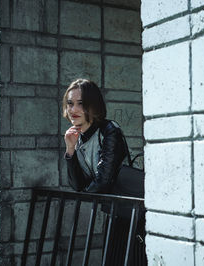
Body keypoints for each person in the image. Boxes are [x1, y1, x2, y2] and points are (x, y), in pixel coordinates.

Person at [63, 79, 146, 265]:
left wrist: (86, 192)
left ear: (92, 105)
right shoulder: (78, 137)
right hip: (116, 211)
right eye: (70, 103)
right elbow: (77, 184)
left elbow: (103, 180)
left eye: (80, 103)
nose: (73, 109)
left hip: (136, 211)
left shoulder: (109, 130)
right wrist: (70, 150)